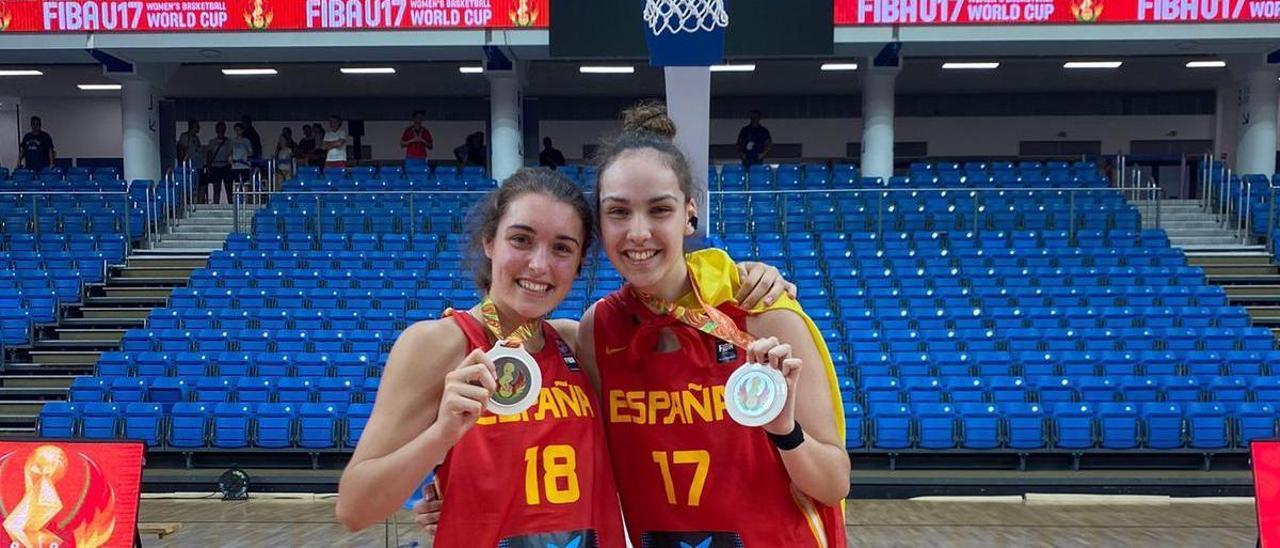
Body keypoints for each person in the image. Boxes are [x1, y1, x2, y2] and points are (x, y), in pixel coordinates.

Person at [414, 106, 846, 546]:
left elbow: (834, 485)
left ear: (689, 213)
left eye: (659, 210)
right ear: (599, 224)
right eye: (619, 212)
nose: (638, 232)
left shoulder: (760, 312)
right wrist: (454, 496)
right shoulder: (597, 331)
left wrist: (784, 432)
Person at [336, 168, 627, 546]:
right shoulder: (437, 344)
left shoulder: (577, 342)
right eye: (521, 239)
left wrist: (728, 279)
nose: (539, 264)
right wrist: (441, 437)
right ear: (489, 241)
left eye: (561, 247)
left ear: (579, 262)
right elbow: (354, 510)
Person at [204, 122, 232, 205]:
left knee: (229, 188)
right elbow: (209, 154)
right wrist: (208, 166)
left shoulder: (228, 141)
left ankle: (231, 205)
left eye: (223, 128)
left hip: (226, 166)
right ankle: (216, 205)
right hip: (215, 166)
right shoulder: (212, 142)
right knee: (216, 188)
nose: (221, 130)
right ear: (216, 130)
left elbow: (231, 153)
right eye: (220, 128)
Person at [228, 123, 254, 202]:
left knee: (245, 183)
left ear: (242, 131)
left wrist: (246, 157)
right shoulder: (232, 141)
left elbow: (251, 152)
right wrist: (230, 159)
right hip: (236, 165)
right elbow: (230, 151)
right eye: (236, 130)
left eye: (239, 130)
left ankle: (245, 199)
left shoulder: (246, 141)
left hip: (244, 165)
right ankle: (237, 199)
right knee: (237, 183)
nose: (237, 132)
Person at [177, 120, 203, 190]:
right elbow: (182, 150)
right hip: (188, 166)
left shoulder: (196, 138)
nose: (198, 128)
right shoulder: (185, 136)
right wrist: (183, 164)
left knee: (197, 186)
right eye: (196, 126)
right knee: (188, 186)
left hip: (197, 165)